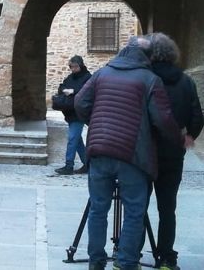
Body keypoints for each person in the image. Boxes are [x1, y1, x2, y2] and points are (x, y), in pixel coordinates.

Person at [74, 36, 184, 270]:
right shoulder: (150, 79)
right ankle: (126, 263)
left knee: (98, 207)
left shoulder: (102, 73)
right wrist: (177, 139)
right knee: (134, 211)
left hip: (100, 150)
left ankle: (96, 261)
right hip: (132, 154)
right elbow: (163, 119)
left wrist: (96, 124)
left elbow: (80, 102)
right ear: (148, 56)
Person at [146, 33, 203, 270]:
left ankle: (130, 254)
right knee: (167, 207)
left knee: (138, 204)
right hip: (173, 150)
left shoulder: (144, 78)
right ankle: (167, 258)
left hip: (145, 150)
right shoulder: (185, 81)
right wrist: (190, 135)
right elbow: (197, 114)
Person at [54, 55, 92, 175]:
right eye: (71, 67)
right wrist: (64, 90)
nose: (73, 69)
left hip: (79, 113)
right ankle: (87, 164)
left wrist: (73, 92)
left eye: (75, 67)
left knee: (72, 139)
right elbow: (63, 86)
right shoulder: (71, 77)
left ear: (80, 65)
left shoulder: (88, 77)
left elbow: (88, 92)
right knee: (77, 140)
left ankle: (69, 166)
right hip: (70, 112)